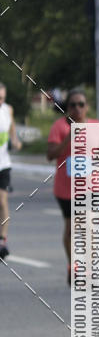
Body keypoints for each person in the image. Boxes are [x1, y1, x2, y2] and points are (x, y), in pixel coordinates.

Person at [47, 89, 99, 284]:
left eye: (81, 104)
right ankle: (73, 265)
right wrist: (69, 137)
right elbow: (50, 155)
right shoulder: (59, 127)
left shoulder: (95, 126)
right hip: (66, 188)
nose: (77, 108)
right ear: (67, 107)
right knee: (71, 229)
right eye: (73, 105)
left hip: (90, 187)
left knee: (89, 226)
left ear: (87, 107)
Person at [0, 82, 22, 260]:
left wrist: (16, 141)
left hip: (3, 163)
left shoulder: (8, 110)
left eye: (2, 98)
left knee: (2, 199)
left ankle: (3, 239)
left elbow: (12, 129)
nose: (1, 101)